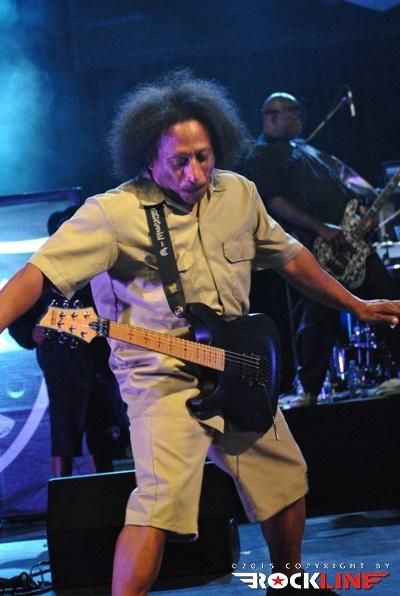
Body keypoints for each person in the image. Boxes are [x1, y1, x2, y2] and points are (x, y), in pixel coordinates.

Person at [0, 71, 399, 596]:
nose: (195, 174)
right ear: (148, 159)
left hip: (237, 367)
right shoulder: (113, 214)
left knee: (286, 480)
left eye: (204, 157)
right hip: (160, 376)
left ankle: (288, 583)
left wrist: (356, 305)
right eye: (179, 162)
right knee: (158, 508)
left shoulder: (239, 194)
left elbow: (291, 257)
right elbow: (36, 275)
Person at [244, 91, 400, 405]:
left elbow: (344, 186)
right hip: (318, 247)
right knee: (319, 316)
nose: (299, 118)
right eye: (293, 112)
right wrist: (321, 228)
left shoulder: (306, 149)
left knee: (387, 298)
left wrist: (360, 213)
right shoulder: (262, 155)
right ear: (272, 116)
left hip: (352, 242)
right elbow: (275, 202)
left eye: (299, 113)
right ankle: (310, 389)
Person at [8, 207, 129, 477]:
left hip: (98, 363)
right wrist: (31, 333)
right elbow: (17, 317)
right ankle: (61, 491)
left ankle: (104, 488)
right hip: (61, 366)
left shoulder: (98, 270)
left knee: (100, 431)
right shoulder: (42, 271)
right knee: (64, 432)